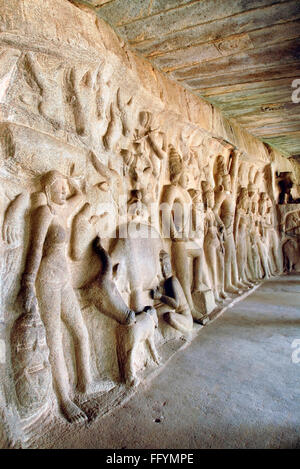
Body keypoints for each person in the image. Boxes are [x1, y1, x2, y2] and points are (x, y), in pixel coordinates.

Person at [21, 170, 96, 423]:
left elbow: (82, 194)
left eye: (65, 187)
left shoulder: (64, 212)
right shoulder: (44, 214)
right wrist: (28, 284)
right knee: (54, 339)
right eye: (60, 186)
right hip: (48, 281)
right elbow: (33, 249)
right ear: (48, 190)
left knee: (80, 332)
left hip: (64, 281)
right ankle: (64, 399)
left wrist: (72, 179)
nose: (64, 190)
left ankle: (86, 384)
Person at [152, 250, 193, 334]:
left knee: (169, 316)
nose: (164, 269)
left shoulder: (172, 280)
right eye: (161, 267)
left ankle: (186, 332)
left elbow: (175, 304)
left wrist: (160, 296)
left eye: (167, 266)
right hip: (181, 316)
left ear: (170, 265)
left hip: (186, 318)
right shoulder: (167, 282)